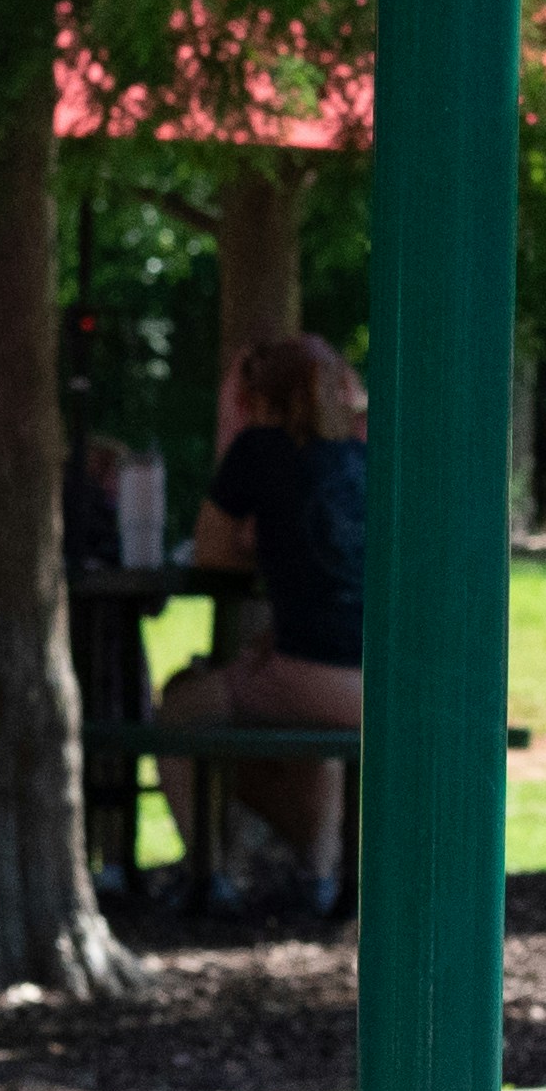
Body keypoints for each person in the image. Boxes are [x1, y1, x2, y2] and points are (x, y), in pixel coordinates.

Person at [156, 335, 366, 908]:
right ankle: (319, 873)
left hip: (309, 676)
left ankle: (208, 873)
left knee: (175, 715)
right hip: (378, 683)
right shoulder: (364, 457)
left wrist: (261, 543)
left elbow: (211, 552)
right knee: (288, 723)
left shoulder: (258, 449)